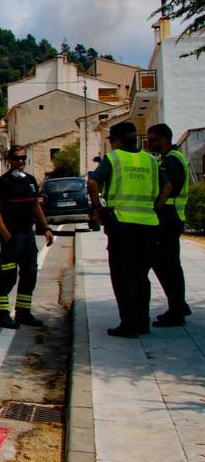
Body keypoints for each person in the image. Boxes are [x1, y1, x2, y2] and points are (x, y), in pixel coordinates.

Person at [87, 122, 171, 338]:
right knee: (141, 276)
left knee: (123, 276)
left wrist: (98, 209)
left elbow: (93, 183)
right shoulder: (150, 159)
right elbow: (168, 187)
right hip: (148, 225)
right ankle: (143, 322)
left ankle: (129, 324)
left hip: (122, 225)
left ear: (116, 139)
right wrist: (157, 207)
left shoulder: (114, 158)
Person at [0, 145, 54, 328]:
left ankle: (23, 313)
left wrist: (46, 227)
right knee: (8, 274)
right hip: (12, 236)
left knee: (30, 272)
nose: (21, 162)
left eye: (24, 158)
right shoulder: (2, 183)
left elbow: (35, 206)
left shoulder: (31, 181)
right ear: (9, 160)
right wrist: (5, 234)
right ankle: (0, 315)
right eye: (17, 158)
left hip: (28, 234)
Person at [146, 123, 191, 327]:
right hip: (172, 217)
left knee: (168, 265)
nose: (150, 143)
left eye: (153, 139)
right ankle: (179, 305)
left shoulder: (171, 160)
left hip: (168, 218)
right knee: (167, 264)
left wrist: (155, 209)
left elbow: (168, 188)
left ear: (165, 138)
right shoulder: (170, 158)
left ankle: (177, 311)